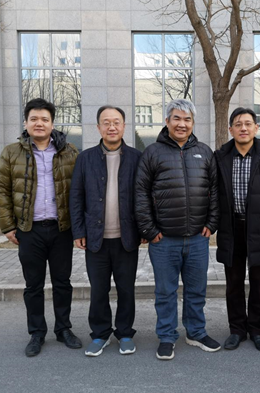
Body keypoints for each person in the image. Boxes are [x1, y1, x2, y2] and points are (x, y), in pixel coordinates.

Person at [0, 98, 81, 357]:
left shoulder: (69, 152)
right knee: (33, 285)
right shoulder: (11, 153)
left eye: (44, 119)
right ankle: (37, 333)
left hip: (61, 229)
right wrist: (8, 226)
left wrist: (80, 227)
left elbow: (80, 190)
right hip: (29, 230)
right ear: (26, 122)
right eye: (34, 119)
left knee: (62, 282)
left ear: (52, 123)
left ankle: (63, 329)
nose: (39, 123)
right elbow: (1, 190)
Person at [135, 99, 220, 360]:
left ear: (193, 123)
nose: (182, 124)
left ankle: (196, 332)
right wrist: (150, 231)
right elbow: (140, 193)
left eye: (187, 119)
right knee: (165, 292)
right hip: (164, 241)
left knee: (197, 291)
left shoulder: (204, 152)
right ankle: (167, 336)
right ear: (167, 121)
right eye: (177, 118)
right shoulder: (152, 152)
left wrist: (211, 224)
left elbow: (215, 191)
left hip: (197, 239)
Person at [69, 105, 144, 357]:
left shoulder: (136, 157)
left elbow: (144, 197)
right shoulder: (85, 158)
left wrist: (144, 228)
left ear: (124, 126)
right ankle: (100, 334)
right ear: (98, 127)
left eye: (116, 122)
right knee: (98, 290)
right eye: (106, 122)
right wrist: (78, 231)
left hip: (127, 238)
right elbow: (76, 197)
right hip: (95, 238)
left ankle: (125, 333)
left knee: (126, 289)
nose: (112, 127)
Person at [215, 107, 260, 352]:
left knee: (259, 285)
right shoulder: (221, 157)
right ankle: (237, 330)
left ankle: (257, 330)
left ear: (256, 128)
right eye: (238, 124)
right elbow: (213, 192)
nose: (243, 128)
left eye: (248, 124)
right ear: (231, 129)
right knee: (233, 284)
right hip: (231, 228)